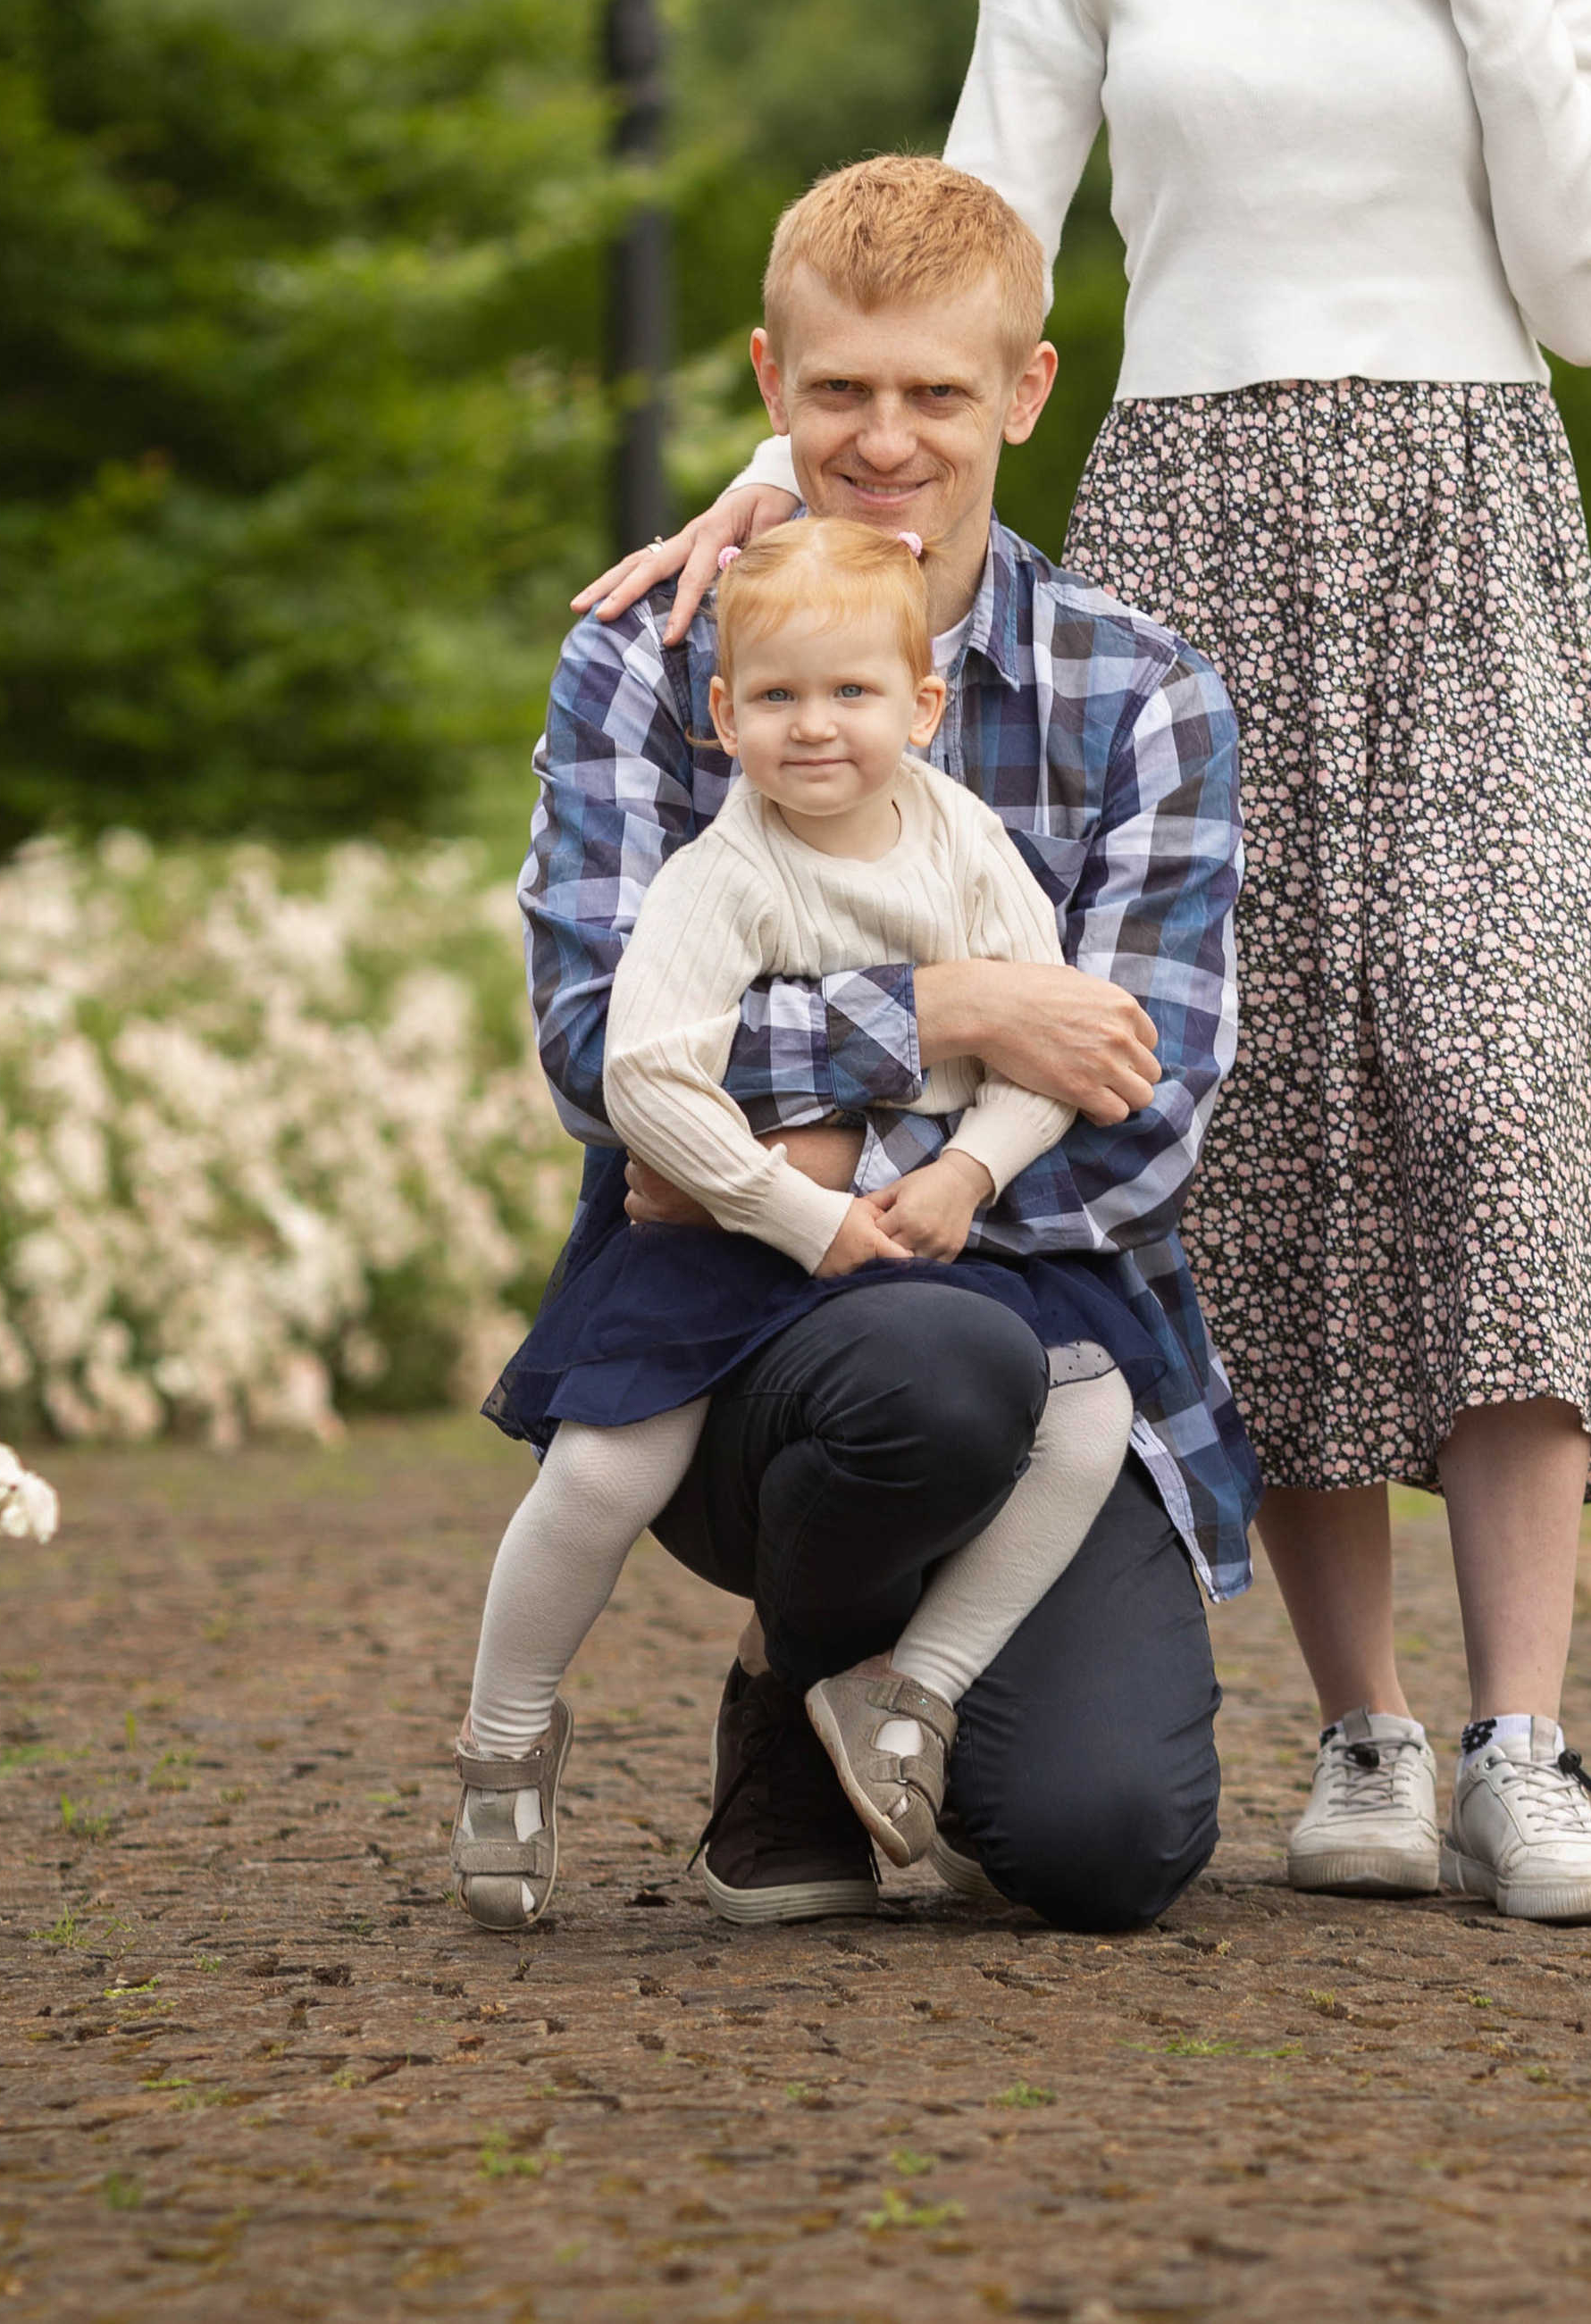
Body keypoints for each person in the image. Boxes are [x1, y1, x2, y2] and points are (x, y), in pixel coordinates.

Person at [616, 0, 1591, 1929]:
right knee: (1258, 1094)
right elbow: (972, 232)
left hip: (1467, 520)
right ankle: (1367, 1730)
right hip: (1196, 521)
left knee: (1500, 1073)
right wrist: (787, 476)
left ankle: (1529, 1738)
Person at [524, 153, 1255, 1939]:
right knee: (926, 1365)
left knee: (1101, 1844)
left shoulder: (1140, 691)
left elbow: (1144, 1105)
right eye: (840, 389)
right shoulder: (652, 661)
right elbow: (591, 1050)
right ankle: (792, 1676)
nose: (885, 437)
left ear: (1024, 390)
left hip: (1056, 1320)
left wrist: (837, 1139)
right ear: (769, 380)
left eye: (936, 391)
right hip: (741, 1325)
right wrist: (955, 1012)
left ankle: (888, 1674)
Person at [451, 520, 1142, 1924]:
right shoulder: (727, 873)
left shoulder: (963, 842)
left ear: (922, 706)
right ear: (723, 714)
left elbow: (1055, 1052)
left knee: (1091, 1415)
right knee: (605, 1469)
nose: (814, 726)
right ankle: (503, 1738)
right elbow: (646, 1078)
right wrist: (790, 1208)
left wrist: (969, 1174)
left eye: (851, 692)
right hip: (733, 1232)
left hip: (912, 1226)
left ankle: (912, 1692)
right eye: (775, 696)